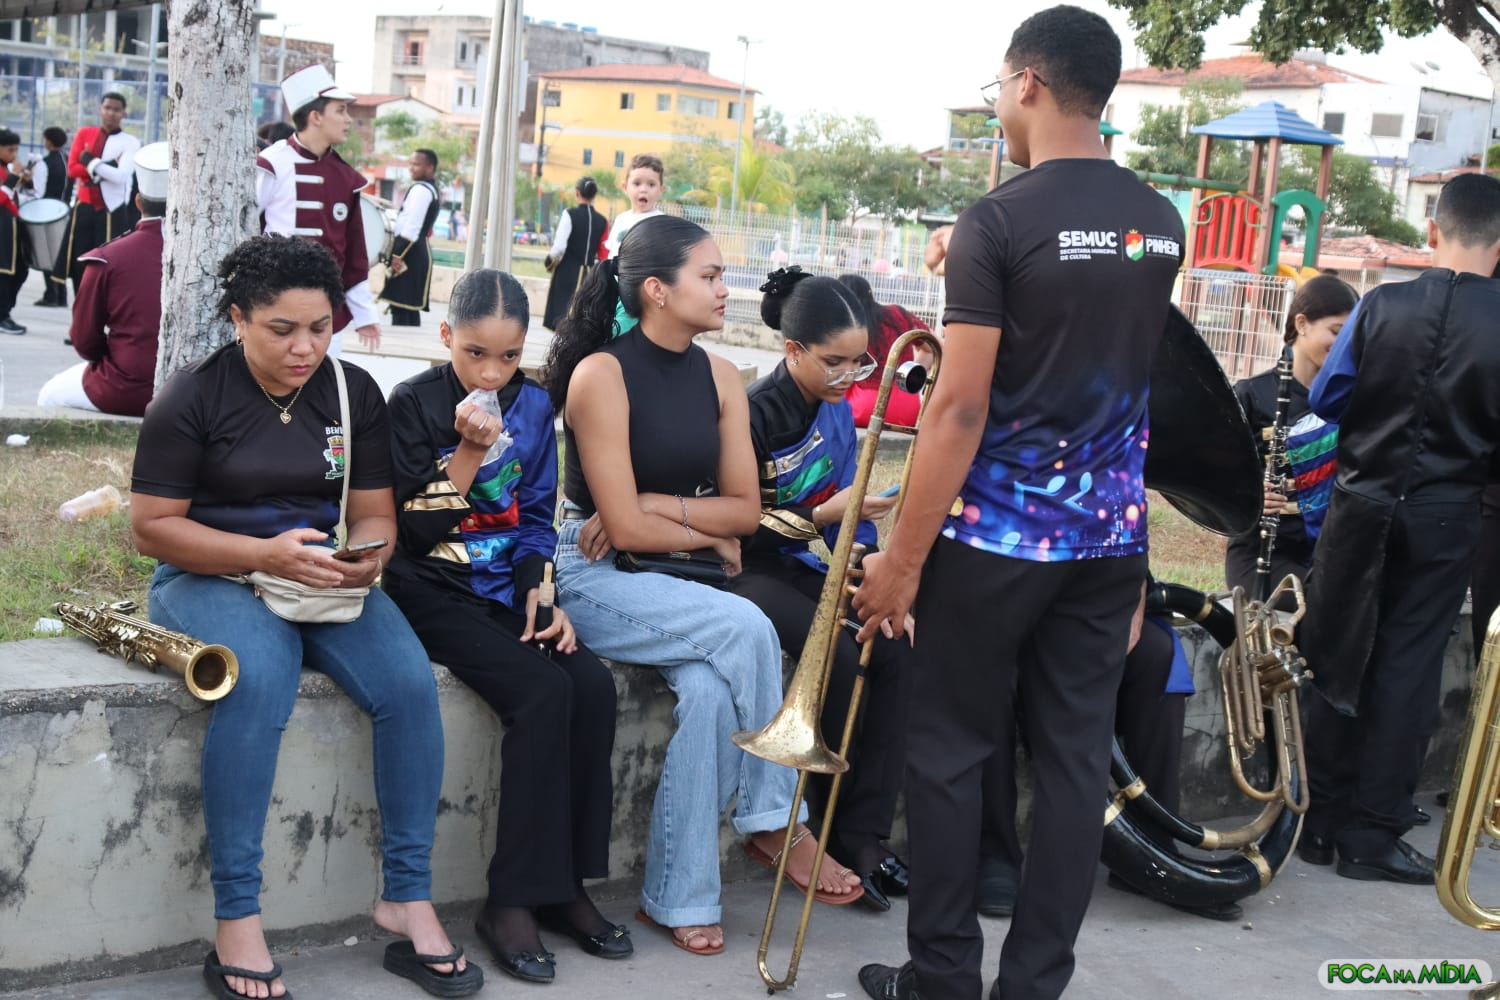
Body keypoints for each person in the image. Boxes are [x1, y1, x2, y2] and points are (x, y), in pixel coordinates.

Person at [850, 8, 1186, 1000]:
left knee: (950, 754)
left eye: (999, 86)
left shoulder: (997, 222)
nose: (1000, 103)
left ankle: (943, 977)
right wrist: (1137, 562)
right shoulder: (1158, 223)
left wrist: (902, 558)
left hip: (994, 542)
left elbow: (957, 407)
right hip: (1108, 545)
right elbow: (1134, 393)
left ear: (1028, 83)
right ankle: (1034, 986)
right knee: (1077, 763)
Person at [129, 234, 483, 1000]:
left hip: (318, 576)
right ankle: (237, 916)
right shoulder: (191, 396)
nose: (305, 348)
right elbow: (153, 529)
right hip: (206, 572)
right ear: (238, 319)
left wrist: (367, 558)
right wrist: (264, 555)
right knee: (261, 676)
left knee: (408, 684)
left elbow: (374, 514)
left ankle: (407, 896)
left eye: (320, 327)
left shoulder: (352, 393)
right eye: (282, 329)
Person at [542, 214, 862, 957]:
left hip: (677, 577)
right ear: (657, 290)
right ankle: (775, 820)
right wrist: (690, 525)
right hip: (593, 574)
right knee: (749, 628)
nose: (726, 289)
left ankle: (678, 896)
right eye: (710, 276)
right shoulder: (601, 375)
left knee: (715, 695)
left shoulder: (722, 376)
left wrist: (658, 509)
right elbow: (619, 531)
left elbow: (745, 513)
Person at [384, 268, 628, 983]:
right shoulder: (414, 403)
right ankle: (511, 901)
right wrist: (468, 450)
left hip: (501, 591)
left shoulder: (535, 404)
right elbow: (412, 535)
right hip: (430, 591)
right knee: (541, 692)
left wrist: (538, 595)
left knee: (590, 686)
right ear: (446, 337)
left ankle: (565, 886)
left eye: (510, 356)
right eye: (475, 354)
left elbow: (535, 519)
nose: (492, 373)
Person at [1299, 173, 1500, 886]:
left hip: (1361, 501)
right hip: (1447, 510)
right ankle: (1372, 831)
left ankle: (1316, 822)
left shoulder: (1382, 303)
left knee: (1334, 650)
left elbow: (1327, 397)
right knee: (1409, 668)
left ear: (1434, 231)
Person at [735, 268, 915, 913]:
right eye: (832, 362)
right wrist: (820, 516)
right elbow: (733, 522)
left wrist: (870, 575)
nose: (848, 377)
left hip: (797, 565)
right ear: (792, 350)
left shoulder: (837, 412)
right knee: (836, 656)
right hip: (741, 572)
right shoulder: (752, 413)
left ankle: (863, 835)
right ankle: (814, 828)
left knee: (890, 643)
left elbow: (852, 513)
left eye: (858, 362)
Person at [1224, 275, 1359, 599]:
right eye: (1336, 333)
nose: (1344, 347)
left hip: (1330, 552)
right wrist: (1252, 495)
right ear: (1302, 324)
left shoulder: (1353, 399)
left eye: (1351, 338)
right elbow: (1218, 479)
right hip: (1262, 554)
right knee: (1324, 602)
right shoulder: (1252, 394)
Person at [36, 142, 169, 415]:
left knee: (49, 395)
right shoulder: (209, 254)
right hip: (198, 394)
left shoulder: (108, 258)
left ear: (138, 202)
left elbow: (84, 339)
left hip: (128, 388)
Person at [256, 64, 380, 356]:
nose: (348, 120)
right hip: (273, 302)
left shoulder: (346, 178)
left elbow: (355, 255)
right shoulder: (272, 163)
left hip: (325, 310)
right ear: (315, 117)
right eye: (341, 111)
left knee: (322, 378)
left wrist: (365, 316)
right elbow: (246, 230)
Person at [54, 93, 140, 301]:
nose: (111, 113)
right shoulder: (85, 133)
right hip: (83, 207)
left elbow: (121, 176)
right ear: (100, 110)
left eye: (116, 110)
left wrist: (90, 162)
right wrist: (103, 169)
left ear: (123, 114)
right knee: (78, 262)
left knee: (107, 265)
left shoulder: (130, 142)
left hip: (112, 211)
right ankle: (80, 314)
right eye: (107, 108)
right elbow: (72, 169)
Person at [836, 274, 933, 429]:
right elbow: (932, 349)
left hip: (863, 408)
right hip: (906, 408)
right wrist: (909, 374)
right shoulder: (897, 315)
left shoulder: (843, 321)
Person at [379, 148, 441, 327]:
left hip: (409, 254)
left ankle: (401, 345)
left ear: (430, 167)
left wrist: (397, 255)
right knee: (408, 308)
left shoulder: (421, 190)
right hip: (415, 251)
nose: (411, 168)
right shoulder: (429, 189)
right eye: (411, 164)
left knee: (401, 308)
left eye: (416, 164)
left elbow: (412, 227)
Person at [542, 175, 608, 330]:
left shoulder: (569, 214)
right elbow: (603, 253)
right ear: (594, 195)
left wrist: (549, 262)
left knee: (562, 316)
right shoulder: (602, 220)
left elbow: (559, 247)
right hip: (590, 275)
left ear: (577, 192)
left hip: (568, 272)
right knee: (581, 318)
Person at [28, 126, 70, 308]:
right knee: (59, 255)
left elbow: (39, 191)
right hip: (65, 210)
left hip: (47, 211)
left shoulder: (44, 163)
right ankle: (61, 295)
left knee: (46, 253)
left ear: (49, 141)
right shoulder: (68, 160)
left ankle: (51, 294)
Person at [0, 128, 26, 335]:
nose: (14, 155)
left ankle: (5, 312)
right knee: (5, 272)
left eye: (16, 150)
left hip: (11, 225)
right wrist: (14, 177)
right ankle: (2, 316)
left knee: (19, 270)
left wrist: (22, 179)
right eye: (10, 150)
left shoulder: (5, 168)